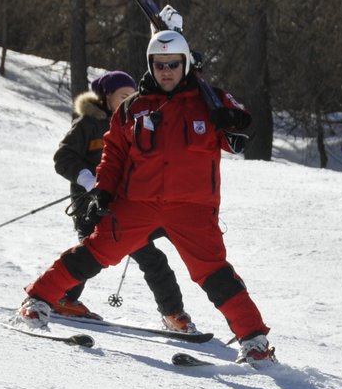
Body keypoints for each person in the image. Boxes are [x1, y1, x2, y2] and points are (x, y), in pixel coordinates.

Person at [17, 27, 276, 364]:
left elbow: (241, 134)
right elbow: (114, 154)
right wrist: (104, 191)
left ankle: (254, 341)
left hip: (193, 209)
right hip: (138, 204)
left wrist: (231, 118)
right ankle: (38, 300)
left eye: (172, 64)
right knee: (95, 252)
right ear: (150, 66)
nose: (166, 71)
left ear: (184, 64)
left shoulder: (208, 100)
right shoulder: (132, 108)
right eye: (159, 65)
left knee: (214, 273)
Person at [49, 68, 189, 330]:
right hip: (90, 207)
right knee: (90, 255)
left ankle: (173, 314)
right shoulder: (88, 123)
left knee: (152, 259)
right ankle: (60, 297)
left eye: (131, 95)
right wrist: (89, 180)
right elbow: (63, 158)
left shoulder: (132, 125)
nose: (128, 100)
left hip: (125, 210)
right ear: (106, 96)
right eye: (122, 95)